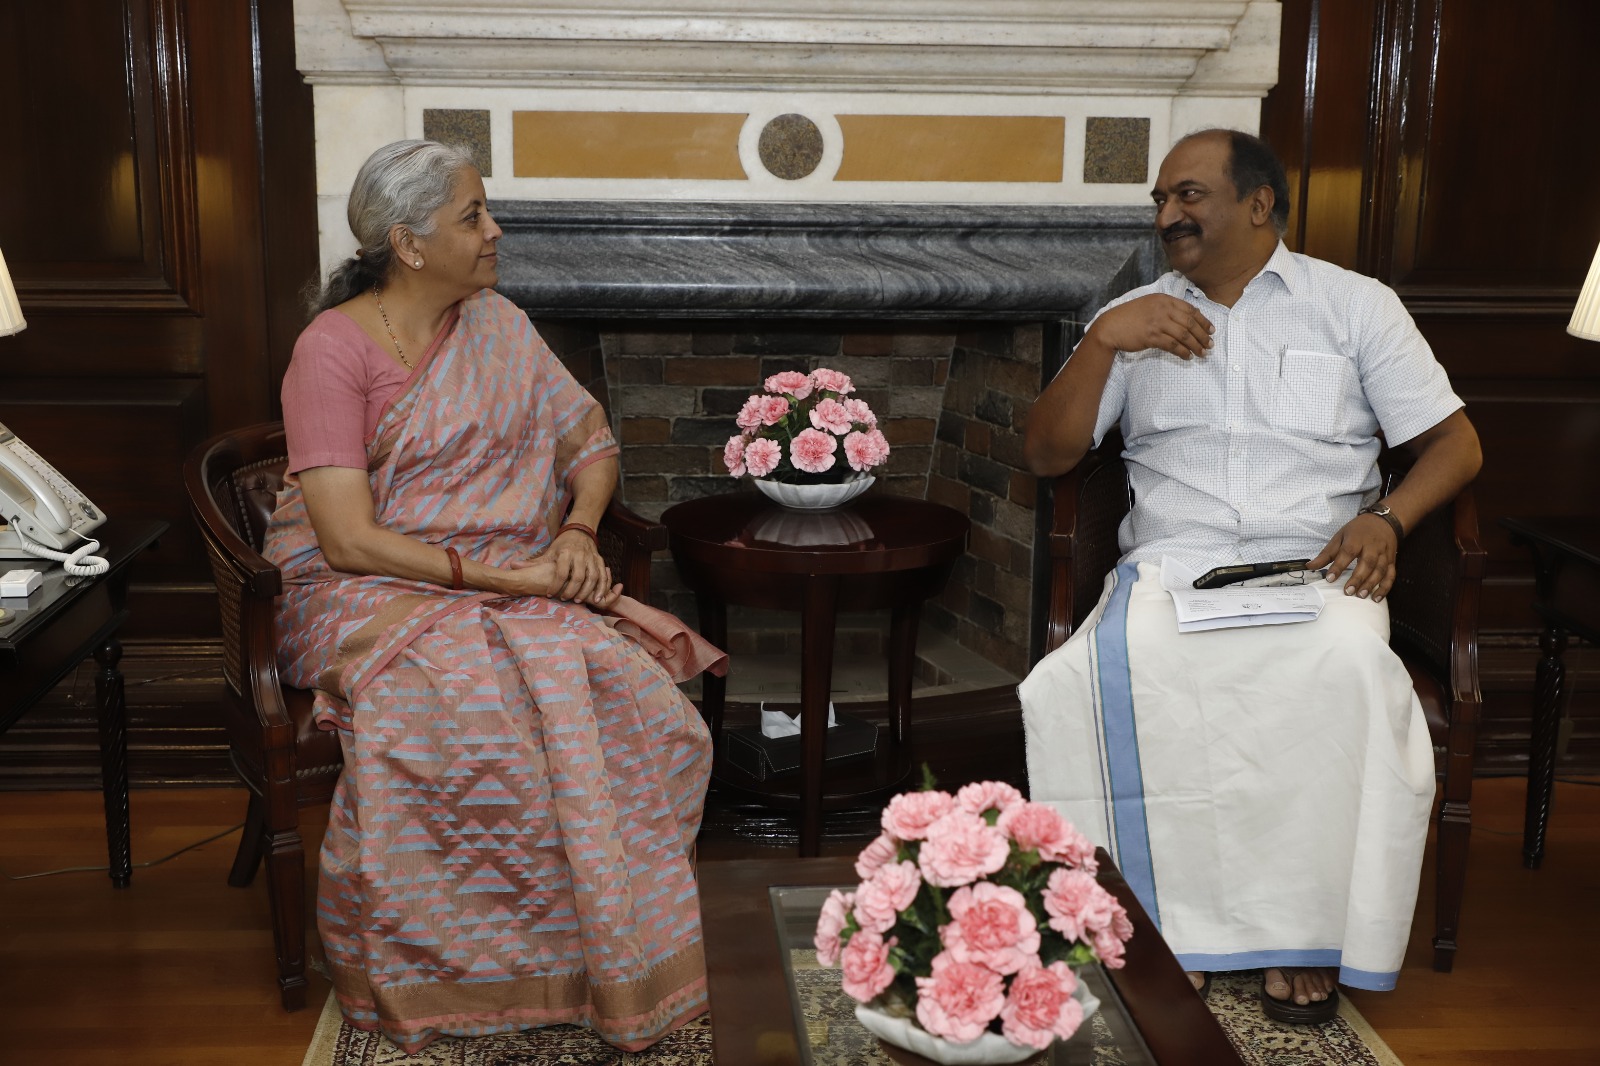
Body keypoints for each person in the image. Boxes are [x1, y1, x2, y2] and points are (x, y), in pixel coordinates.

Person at [262, 140, 726, 1053]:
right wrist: (511, 579)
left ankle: (594, 954)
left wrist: (578, 531)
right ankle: (457, 978)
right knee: (477, 708)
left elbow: (590, 445)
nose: (494, 229)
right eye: (472, 215)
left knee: (636, 706)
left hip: (516, 573)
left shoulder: (499, 324)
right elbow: (349, 539)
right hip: (362, 592)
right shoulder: (331, 350)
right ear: (408, 242)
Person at [1018, 129, 1482, 1024]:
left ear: (1259, 203)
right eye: (1159, 201)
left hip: (1320, 569)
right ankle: (1160, 929)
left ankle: (1300, 937)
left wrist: (1388, 518)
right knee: (1096, 674)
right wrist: (1103, 341)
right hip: (1174, 566)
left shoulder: (1355, 306)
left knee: (1344, 672)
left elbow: (1455, 444)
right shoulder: (1137, 314)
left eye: (1187, 195)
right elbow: (1047, 455)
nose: (1167, 216)